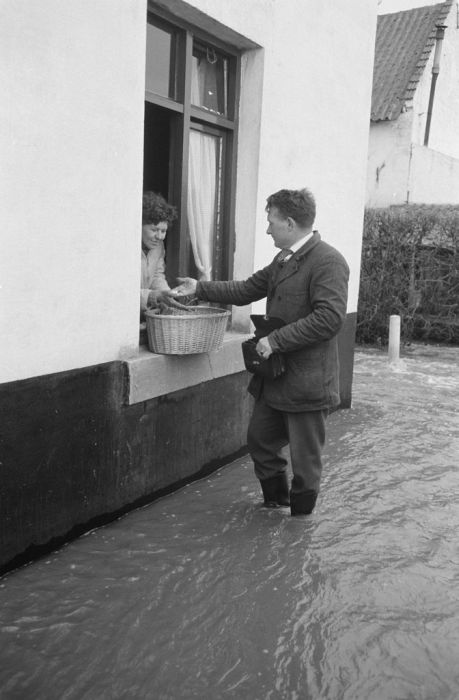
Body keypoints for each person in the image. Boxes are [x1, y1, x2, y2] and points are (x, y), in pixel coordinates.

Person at [169, 188, 349, 516]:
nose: (267, 230)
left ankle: (299, 526)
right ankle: (275, 507)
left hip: (308, 384)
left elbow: (329, 319)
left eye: (271, 222)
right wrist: (201, 288)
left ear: (290, 223)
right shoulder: (282, 260)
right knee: (261, 441)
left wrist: (276, 340)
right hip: (276, 379)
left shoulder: (329, 261)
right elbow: (248, 288)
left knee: (306, 463)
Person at [140, 191, 178, 318]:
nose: (160, 237)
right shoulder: (126, 248)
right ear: (139, 225)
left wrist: (167, 295)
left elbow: (157, 275)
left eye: (163, 231)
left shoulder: (158, 246)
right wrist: (150, 296)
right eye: (154, 230)